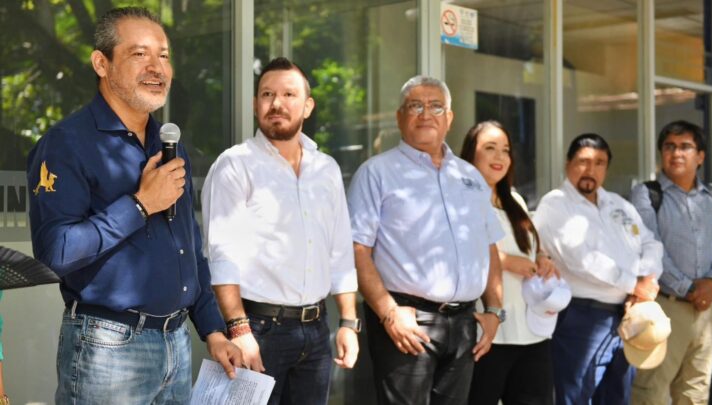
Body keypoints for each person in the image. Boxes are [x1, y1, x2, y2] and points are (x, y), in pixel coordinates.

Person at [27, 7, 241, 404]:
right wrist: (141, 204)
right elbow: (54, 253)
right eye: (139, 53)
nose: (157, 67)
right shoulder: (67, 144)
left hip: (176, 343)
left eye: (163, 54)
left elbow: (188, 249)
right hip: (107, 346)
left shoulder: (169, 143)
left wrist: (212, 330)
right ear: (101, 63)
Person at [202, 57, 359, 405]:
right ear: (256, 103)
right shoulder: (235, 165)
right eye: (267, 94)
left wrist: (348, 322)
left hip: (316, 331)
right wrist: (238, 330)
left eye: (289, 94)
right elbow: (222, 257)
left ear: (308, 105)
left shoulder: (327, 169)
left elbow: (340, 252)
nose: (277, 103)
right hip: (257, 330)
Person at [348, 76, 505, 405]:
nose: (425, 114)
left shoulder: (470, 176)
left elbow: (488, 246)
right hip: (406, 321)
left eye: (436, 107)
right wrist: (389, 313)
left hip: (464, 324)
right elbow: (357, 250)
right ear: (399, 116)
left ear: (449, 118)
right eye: (415, 106)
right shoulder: (376, 172)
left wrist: (494, 311)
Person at [533, 133, 663, 405]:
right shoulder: (555, 204)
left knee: (617, 397)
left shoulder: (618, 204)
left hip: (626, 316)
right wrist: (634, 284)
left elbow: (650, 242)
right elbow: (580, 259)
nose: (590, 170)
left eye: (599, 163)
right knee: (574, 397)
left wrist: (646, 281)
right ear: (568, 164)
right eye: (583, 161)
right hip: (582, 318)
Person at [460, 121, 564, 405]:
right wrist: (505, 262)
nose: (500, 157)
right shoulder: (460, 199)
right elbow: (458, 251)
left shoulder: (514, 199)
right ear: (470, 154)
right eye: (490, 148)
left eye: (505, 150)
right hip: (489, 334)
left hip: (532, 332)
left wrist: (542, 259)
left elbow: (532, 248)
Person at [630, 120, 712, 405]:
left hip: (707, 311)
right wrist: (691, 289)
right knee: (651, 393)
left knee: (696, 393)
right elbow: (651, 249)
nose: (676, 153)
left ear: (701, 156)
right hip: (665, 306)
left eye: (685, 147)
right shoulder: (647, 194)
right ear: (661, 153)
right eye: (669, 147)